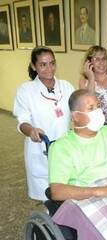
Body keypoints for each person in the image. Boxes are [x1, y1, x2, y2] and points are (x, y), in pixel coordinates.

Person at [13, 46, 74, 201]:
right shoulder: (26, 90)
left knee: (67, 191)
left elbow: (78, 110)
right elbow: (22, 121)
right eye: (43, 64)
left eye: (52, 63)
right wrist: (31, 131)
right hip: (41, 150)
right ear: (34, 66)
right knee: (48, 197)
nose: (49, 68)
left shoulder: (66, 87)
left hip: (65, 149)